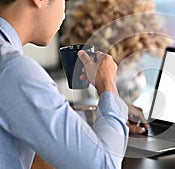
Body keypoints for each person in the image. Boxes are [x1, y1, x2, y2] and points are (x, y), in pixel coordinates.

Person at [0, 0, 147, 168]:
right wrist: (108, 86)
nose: (64, 12)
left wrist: (102, 112)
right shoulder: (14, 70)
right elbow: (105, 165)